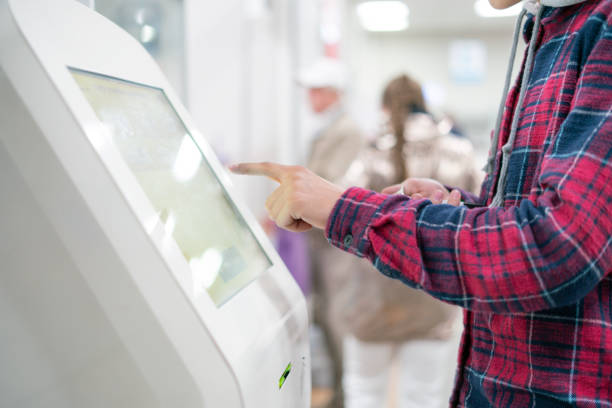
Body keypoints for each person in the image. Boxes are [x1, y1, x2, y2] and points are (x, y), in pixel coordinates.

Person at [231, 0, 612, 406]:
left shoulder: (598, 31)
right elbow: (519, 214)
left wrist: (346, 207)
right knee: (419, 395)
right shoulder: (549, 31)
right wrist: (457, 209)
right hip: (477, 348)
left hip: (545, 383)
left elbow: (554, 245)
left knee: (367, 391)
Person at [337, 74, 479, 408]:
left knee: (364, 392)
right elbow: (485, 204)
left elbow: (340, 206)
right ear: (423, 104)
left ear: (384, 107)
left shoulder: (369, 151)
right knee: (425, 398)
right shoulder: (458, 149)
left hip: (371, 297)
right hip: (434, 291)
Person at [298, 57, 366, 408]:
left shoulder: (348, 132)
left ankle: (346, 396)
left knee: (338, 317)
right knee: (325, 314)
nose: (310, 98)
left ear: (332, 93)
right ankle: (340, 393)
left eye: (315, 91)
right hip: (320, 240)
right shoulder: (328, 130)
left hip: (335, 242)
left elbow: (331, 185)